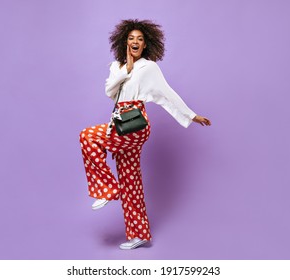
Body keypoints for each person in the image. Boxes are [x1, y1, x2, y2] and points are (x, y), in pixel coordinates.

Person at [79, 19, 211, 250]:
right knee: (131, 181)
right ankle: (139, 234)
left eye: (140, 39)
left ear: (146, 44)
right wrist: (126, 70)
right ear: (124, 42)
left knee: (88, 136)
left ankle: (107, 189)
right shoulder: (116, 67)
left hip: (136, 122)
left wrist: (191, 116)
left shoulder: (149, 68)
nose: (135, 42)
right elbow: (109, 91)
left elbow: (167, 94)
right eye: (131, 38)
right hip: (119, 120)